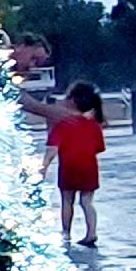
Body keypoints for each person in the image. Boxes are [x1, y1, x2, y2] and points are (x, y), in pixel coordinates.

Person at [41, 80, 106, 248]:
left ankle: (66, 234)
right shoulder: (94, 126)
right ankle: (91, 233)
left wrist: (44, 167)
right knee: (87, 202)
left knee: (66, 202)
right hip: (89, 168)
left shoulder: (62, 125)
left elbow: (52, 150)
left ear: (72, 101)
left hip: (69, 168)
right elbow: (99, 148)